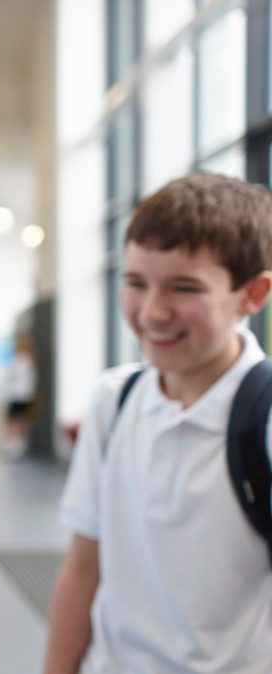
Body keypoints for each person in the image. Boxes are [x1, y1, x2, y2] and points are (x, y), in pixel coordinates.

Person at [44, 172, 272, 673]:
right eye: (135, 283)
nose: (152, 312)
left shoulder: (264, 419)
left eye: (184, 288)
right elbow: (84, 567)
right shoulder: (114, 402)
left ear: (252, 294)